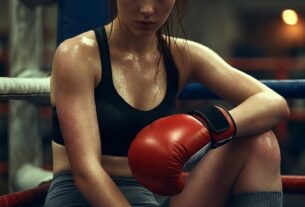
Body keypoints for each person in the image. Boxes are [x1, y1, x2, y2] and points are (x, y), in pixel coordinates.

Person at [44, 0, 290, 206]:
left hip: (149, 198)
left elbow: (274, 102)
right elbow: (86, 174)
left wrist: (208, 126)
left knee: (261, 143)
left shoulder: (181, 55)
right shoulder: (77, 55)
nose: (148, 9)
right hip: (82, 197)